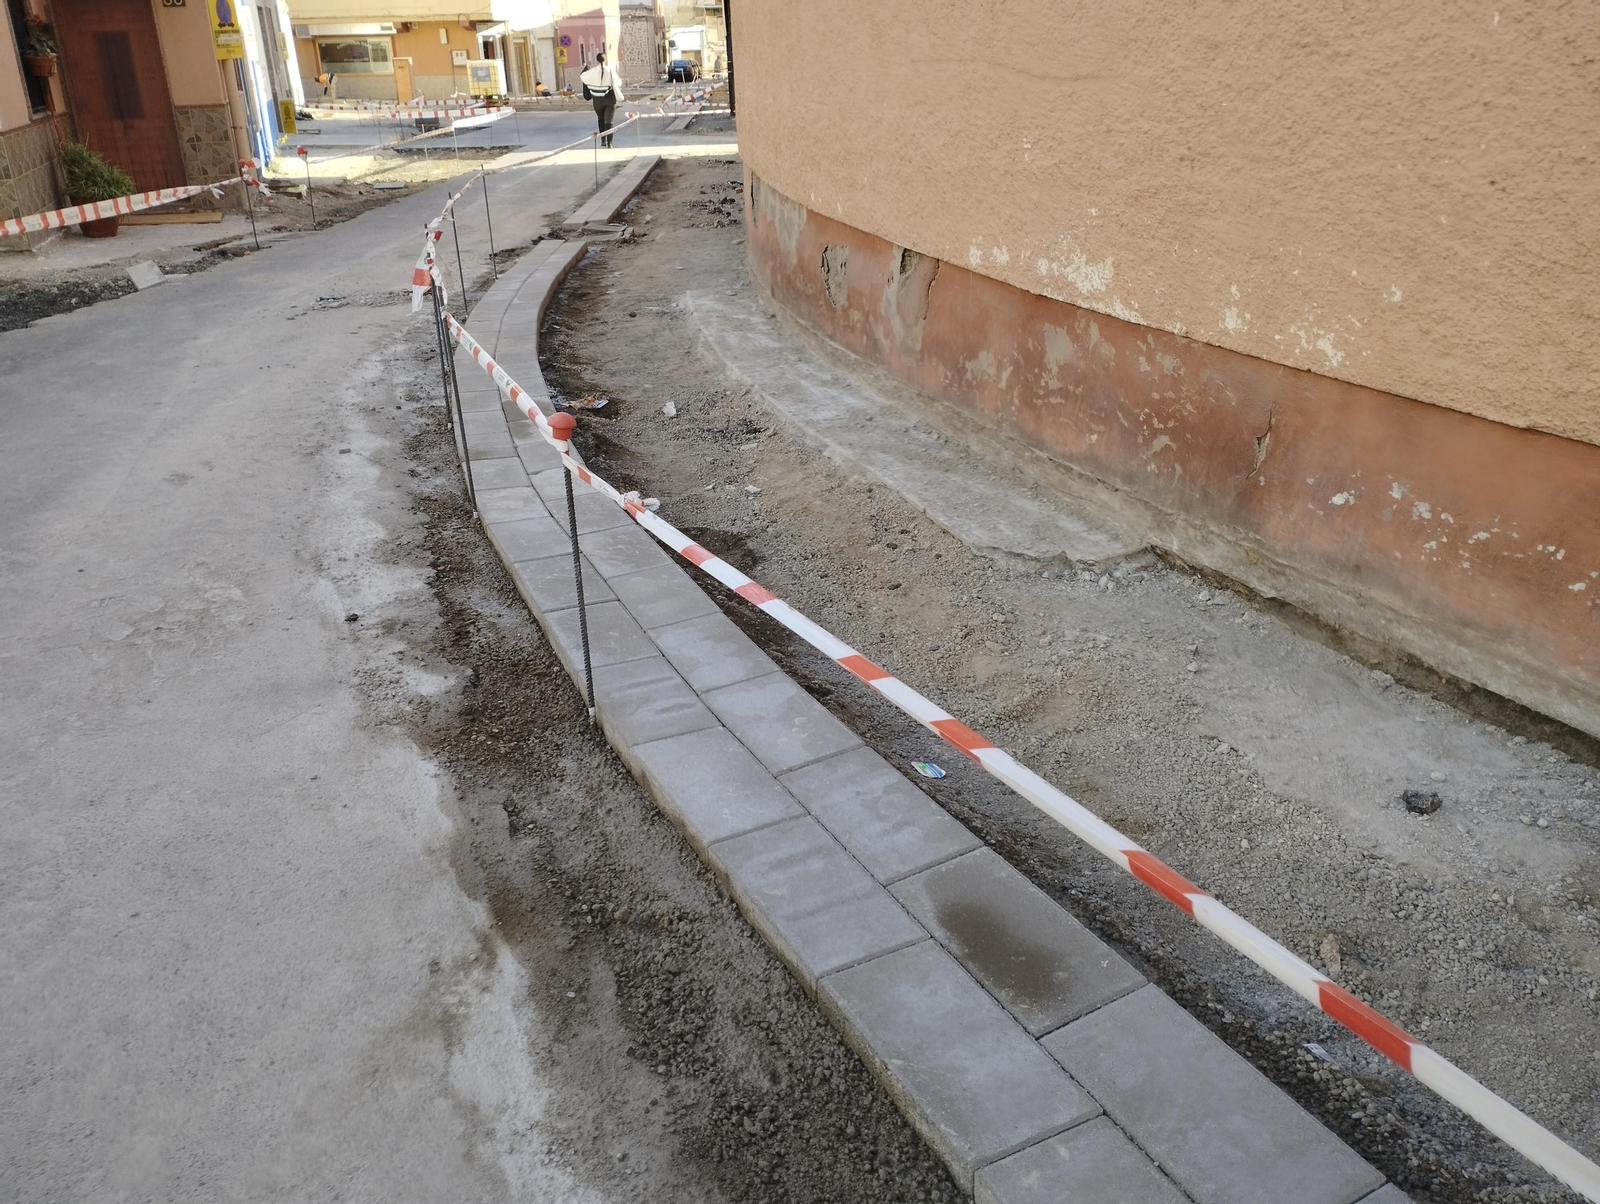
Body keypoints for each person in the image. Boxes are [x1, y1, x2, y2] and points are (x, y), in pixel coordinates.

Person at [580, 51, 624, 148]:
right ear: (605, 60)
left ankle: (603, 140)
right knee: (609, 122)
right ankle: (610, 143)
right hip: (610, 99)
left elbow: (583, 77)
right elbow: (618, 82)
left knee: (601, 119)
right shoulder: (610, 70)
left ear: (596, 60)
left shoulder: (592, 71)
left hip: (597, 100)